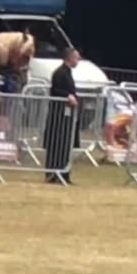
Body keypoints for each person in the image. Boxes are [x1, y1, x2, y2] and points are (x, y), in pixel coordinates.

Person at [45, 48, 81, 184]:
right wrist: (67, 96)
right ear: (69, 58)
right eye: (76, 58)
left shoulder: (68, 73)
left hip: (67, 116)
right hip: (59, 116)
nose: (78, 61)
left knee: (66, 146)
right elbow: (55, 91)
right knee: (57, 145)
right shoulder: (59, 73)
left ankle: (64, 174)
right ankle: (53, 174)